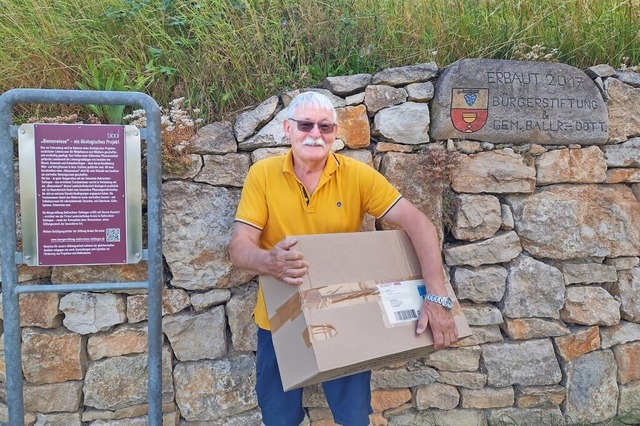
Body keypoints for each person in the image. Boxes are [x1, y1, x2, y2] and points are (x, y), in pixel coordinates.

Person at [229, 91, 458, 426]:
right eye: (305, 124)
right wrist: (269, 262)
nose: (315, 134)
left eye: (325, 127)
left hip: (345, 318)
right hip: (279, 322)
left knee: (353, 419)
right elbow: (238, 247)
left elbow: (420, 225)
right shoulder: (262, 175)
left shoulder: (356, 175)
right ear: (287, 129)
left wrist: (436, 297)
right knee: (279, 419)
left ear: (336, 133)